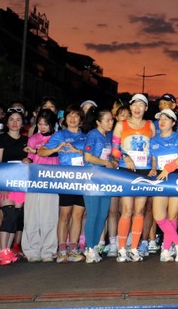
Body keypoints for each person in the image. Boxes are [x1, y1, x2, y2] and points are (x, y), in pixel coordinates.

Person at [39, 105, 87, 263]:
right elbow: (41, 152)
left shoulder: (86, 136)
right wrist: (57, 148)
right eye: (69, 116)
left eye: (76, 116)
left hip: (83, 180)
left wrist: (77, 151)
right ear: (65, 119)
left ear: (81, 120)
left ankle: (73, 249)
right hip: (66, 180)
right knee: (65, 215)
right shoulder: (60, 135)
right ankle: (61, 250)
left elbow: (92, 155)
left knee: (78, 215)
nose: (73, 119)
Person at [112, 94, 155, 263]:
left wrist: (153, 166)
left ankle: (134, 248)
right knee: (127, 210)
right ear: (130, 107)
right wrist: (124, 155)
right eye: (135, 104)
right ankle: (122, 248)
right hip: (126, 170)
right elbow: (114, 149)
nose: (137, 108)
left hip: (144, 172)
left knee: (139, 210)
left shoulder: (150, 125)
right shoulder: (121, 125)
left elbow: (154, 149)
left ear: (145, 108)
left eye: (141, 105)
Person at [149, 109, 178, 262]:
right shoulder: (153, 140)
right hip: (161, 176)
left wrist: (169, 168)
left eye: (167, 118)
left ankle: (166, 250)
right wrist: (154, 168)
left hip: (176, 175)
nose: (162, 121)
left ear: (173, 123)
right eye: (160, 118)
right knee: (159, 216)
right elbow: (153, 160)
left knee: (172, 215)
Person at [0, 108, 30, 265]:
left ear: (22, 123)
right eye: (12, 119)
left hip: (21, 184)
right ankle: (2, 251)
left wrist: (29, 160)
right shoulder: (0, 139)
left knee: (14, 217)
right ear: (7, 122)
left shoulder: (26, 140)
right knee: (7, 215)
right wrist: (3, 185)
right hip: (4, 184)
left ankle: (7, 250)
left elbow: (32, 158)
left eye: (18, 120)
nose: (15, 122)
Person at [22, 109, 60, 262]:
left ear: (52, 124)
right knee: (31, 216)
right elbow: (30, 157)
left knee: (49, 216)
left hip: (51, 181)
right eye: (40, 124)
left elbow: (55, 153)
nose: (43, 127)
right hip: (33, 181)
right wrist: (27, 160)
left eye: (46, 124)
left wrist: (37, 151)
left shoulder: (58, 137)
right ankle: (32, 250)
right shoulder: (32, 138)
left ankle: (48, 251)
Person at [81, 108, 115, 263]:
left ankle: (94, 247)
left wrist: (112, 162)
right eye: (107, 120)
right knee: (93, 214)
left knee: (102, 215)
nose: (111, 122)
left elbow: (112, 154)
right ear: (98, 122)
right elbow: (88, 157)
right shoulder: (93, 135)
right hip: (92, 178)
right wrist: (105, 162)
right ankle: (89, 248)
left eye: (112, 120)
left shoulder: (108, 136)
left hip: (105, 179)